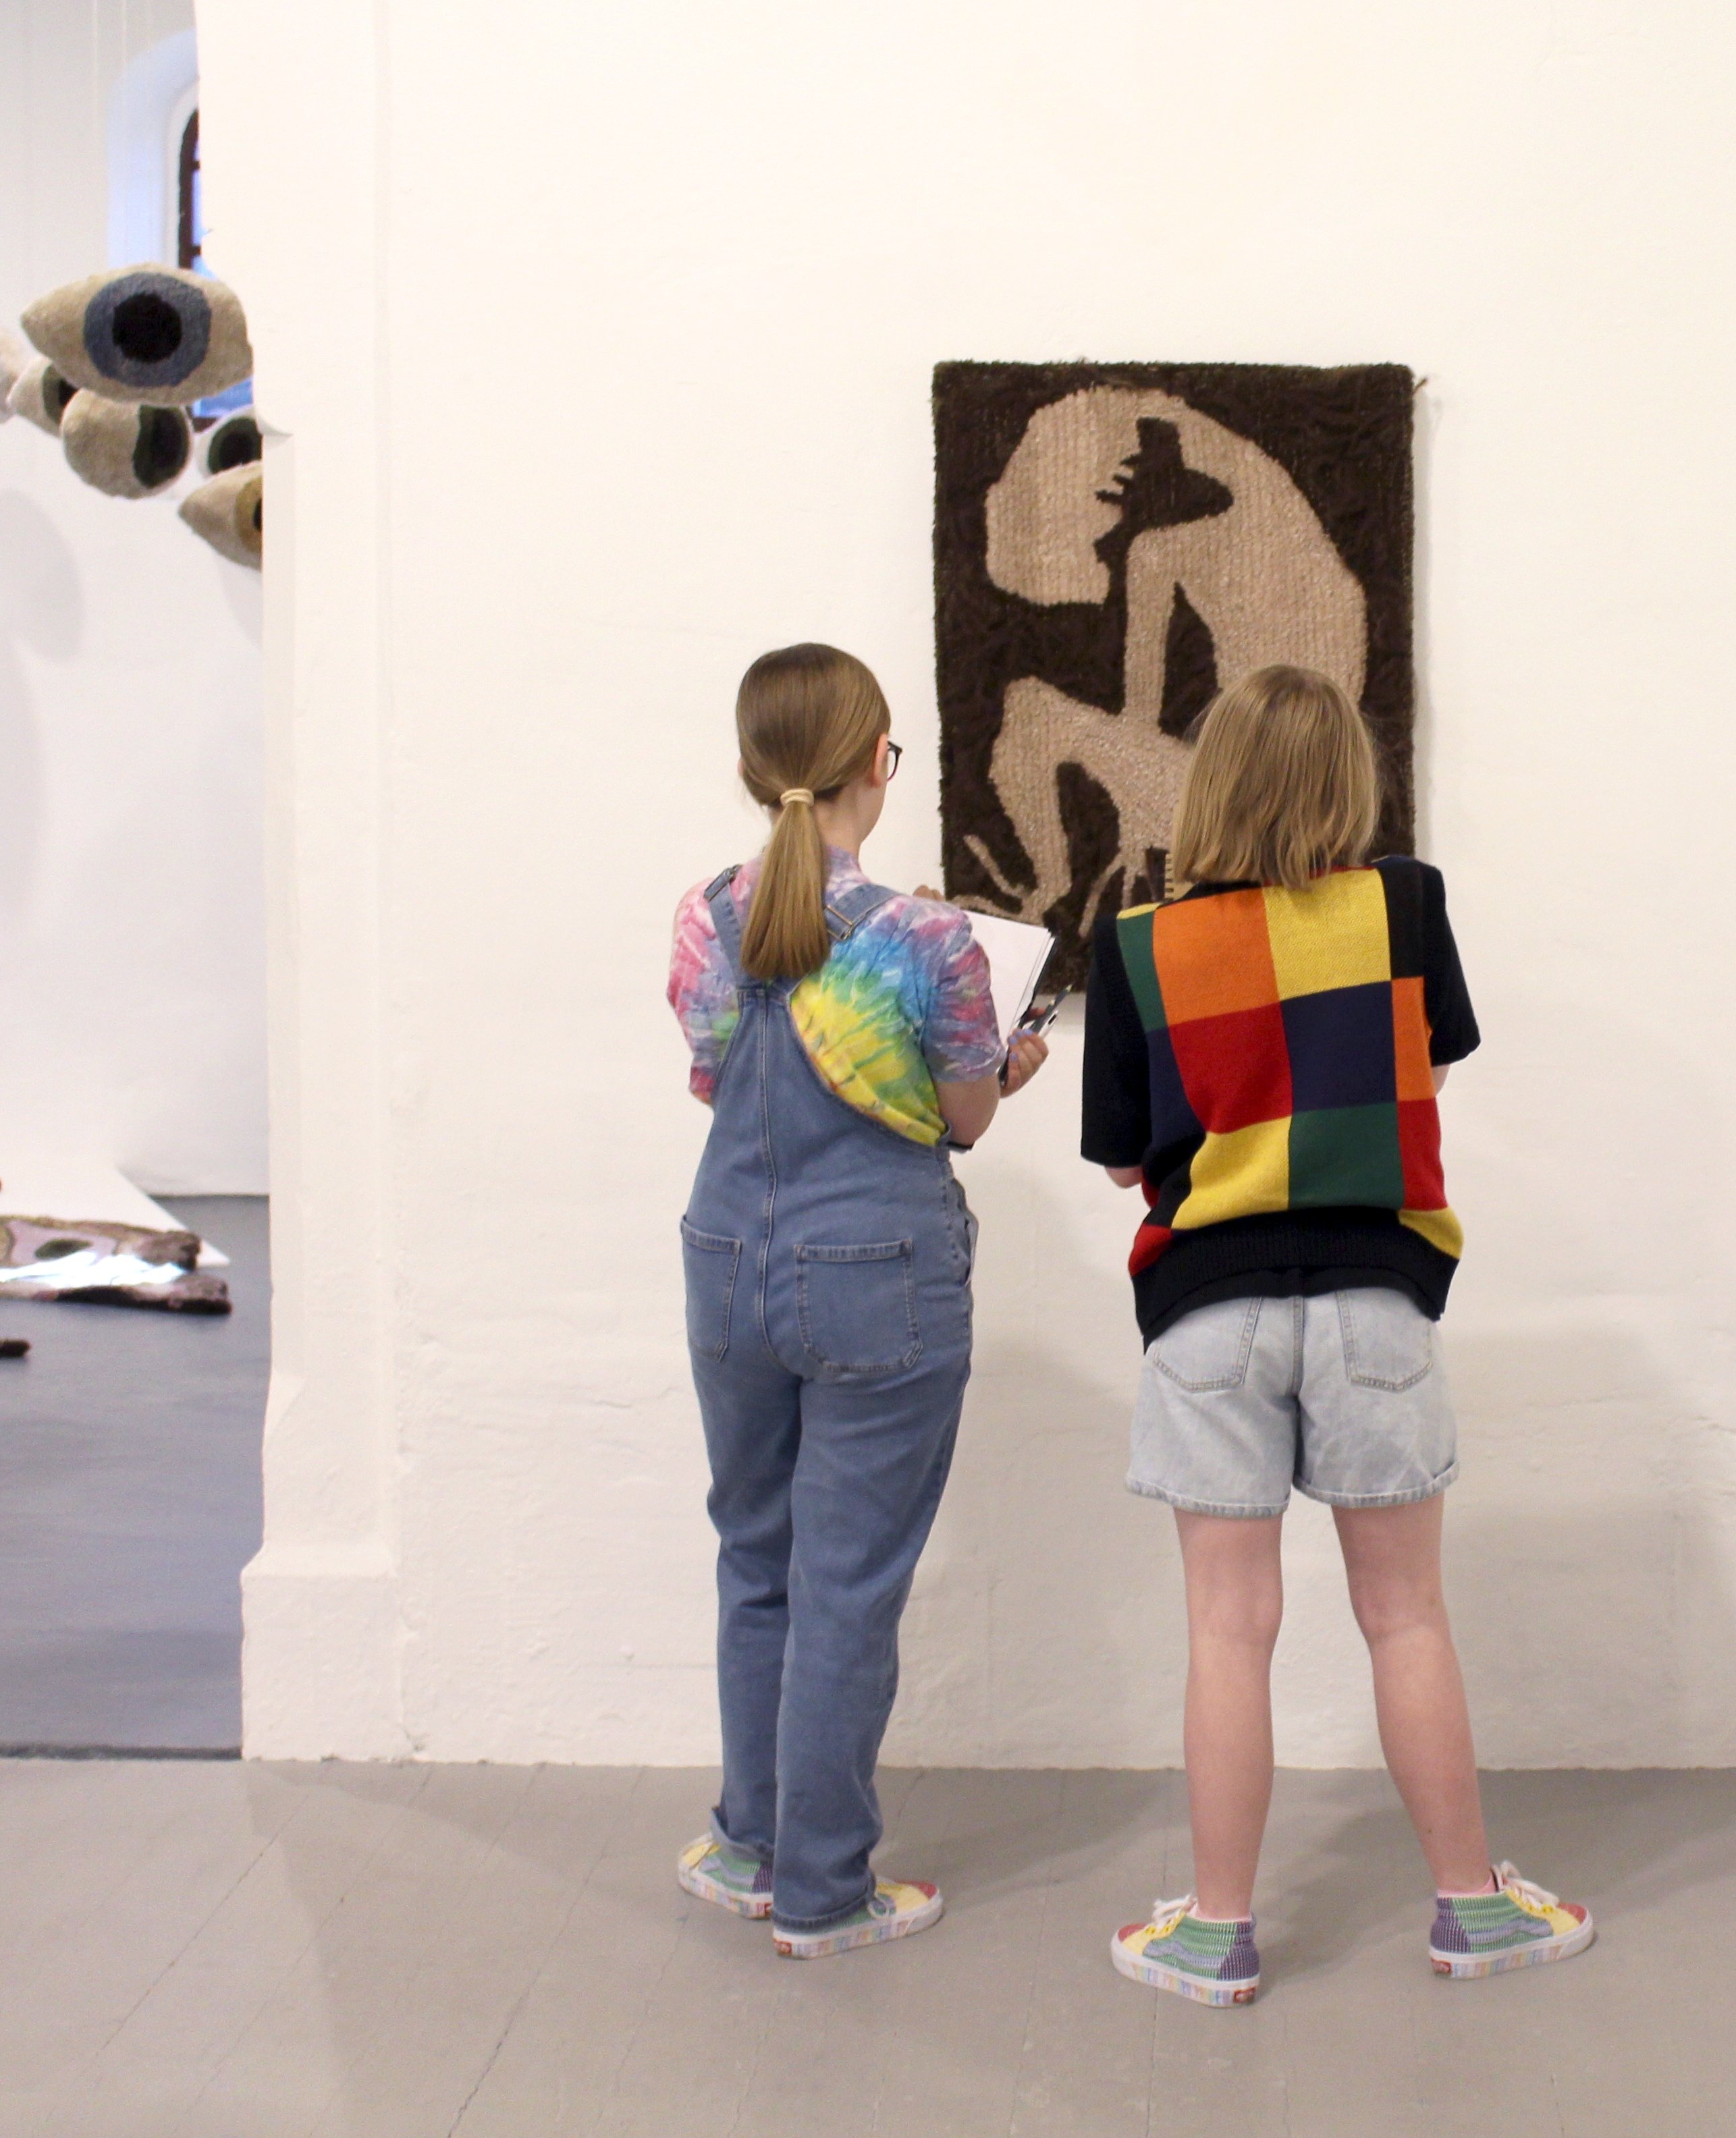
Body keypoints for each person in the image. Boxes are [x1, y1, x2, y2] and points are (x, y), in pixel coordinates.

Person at [1078, 664, 1594, 2006]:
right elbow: (1434, 1061)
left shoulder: (1135, 945)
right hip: (1373, 1298)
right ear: (1345, 784)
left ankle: (1216, 1934)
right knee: (1406, 1616)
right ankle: (1471, 1909)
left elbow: (1126, 1159)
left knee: (1226, 1631)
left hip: (1208, 1312)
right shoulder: (1404, 905)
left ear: (1212, 785)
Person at [663, 642, 1048, 1958]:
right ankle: (824, 1890)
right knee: (844, 1586)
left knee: (754, 1557)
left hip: (727, 1259)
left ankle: (752, 1846)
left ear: (749, 769)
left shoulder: (703, 916)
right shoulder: (929, 940)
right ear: (878, 763)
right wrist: (1008, 1058)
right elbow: (964, 1115)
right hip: (875, 1273)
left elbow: (714, 1076)